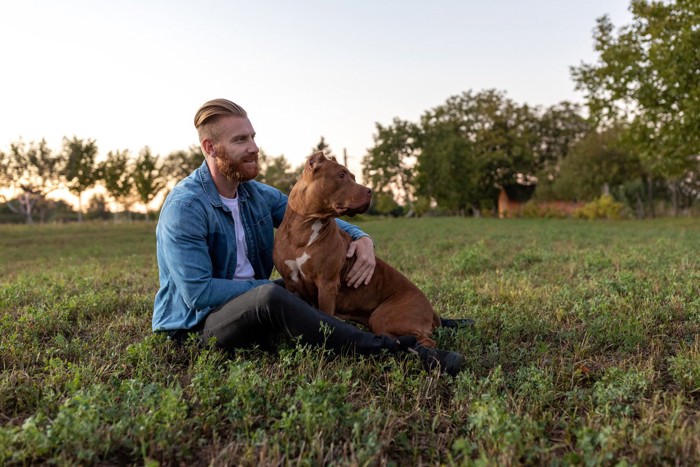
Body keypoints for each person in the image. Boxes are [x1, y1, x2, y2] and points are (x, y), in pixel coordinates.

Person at [153, 98, 464, 375]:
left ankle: (417, 320)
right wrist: (269, 289)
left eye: (252, 137)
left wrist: (363, 239)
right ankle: (394, 349)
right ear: (210, 148)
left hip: (250, 306)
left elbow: (309, 212)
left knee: (297, 290)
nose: (254, 147)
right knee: (275, 295)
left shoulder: (256, 195)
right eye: (240, 140)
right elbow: (197, 293)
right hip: (194, 327)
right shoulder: (186, 207)